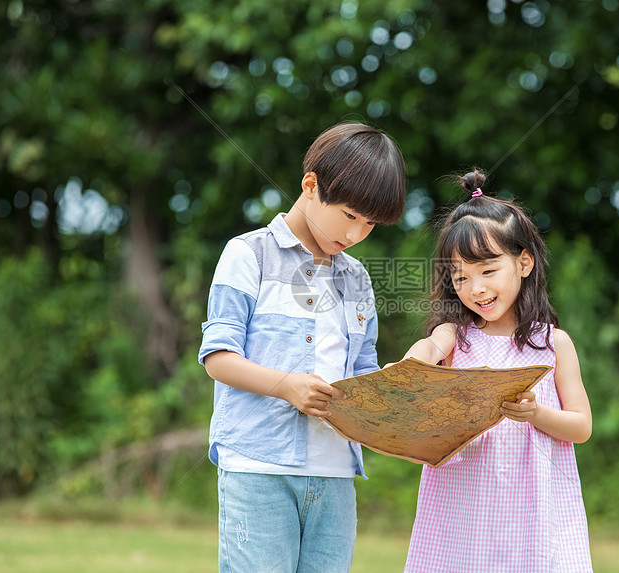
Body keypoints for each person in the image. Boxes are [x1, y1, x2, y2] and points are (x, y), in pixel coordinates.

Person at [198, 122, 406, 573]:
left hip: (336, 474)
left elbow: (362, 368)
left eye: (370, 223)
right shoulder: (247, 254)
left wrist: (398, 390)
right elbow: (218, 358)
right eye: (350, 216)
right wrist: (286, 386)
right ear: (310, 185)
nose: (356, 234)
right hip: (258, 467)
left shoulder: (357, 278)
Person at [401, 169, 593, 573]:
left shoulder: (552, 344)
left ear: (523, 263)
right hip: (463, 506)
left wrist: (536, 414)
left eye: (488, 271)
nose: (476, 289)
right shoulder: (457, 335)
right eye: (461, 278)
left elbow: (581, 427)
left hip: (534, 511)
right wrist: (410, 368)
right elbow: (431, 347)